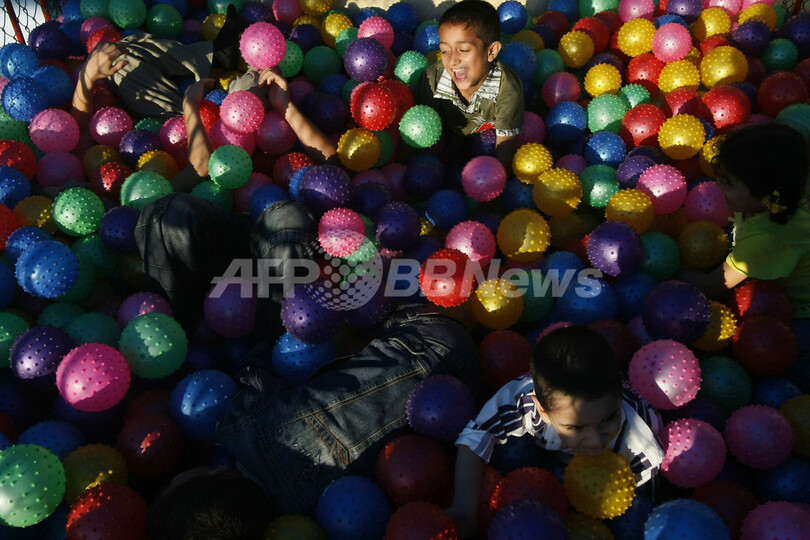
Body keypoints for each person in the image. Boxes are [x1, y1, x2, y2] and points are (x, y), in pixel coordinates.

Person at [446, 325, 665, 538]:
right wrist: (465, 509)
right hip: (542, 464)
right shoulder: (523, 401)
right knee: (514, 446)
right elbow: (477, 436)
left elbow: (641, 509)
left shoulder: (641, 449)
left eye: (609, 419)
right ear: (543, 410)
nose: (596, 438)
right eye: (576, 427)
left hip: (599, 492)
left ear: (619, 394)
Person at [680, 123, 810, 318]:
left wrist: (668, 274)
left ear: (765, 196)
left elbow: (714, 284)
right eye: (720, 176)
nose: (717, 183)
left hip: (799, 306)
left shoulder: (766, 236)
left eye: (728, 182)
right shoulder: (788, 187)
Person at [413, 0, 525, 167]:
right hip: (445, 137)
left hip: (485, 145)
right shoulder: (431, 80)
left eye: (464, 50)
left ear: (491, 51)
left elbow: (504, 154)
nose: (452, 61)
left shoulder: (508, 88)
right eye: (445, 50)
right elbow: (414, 131)